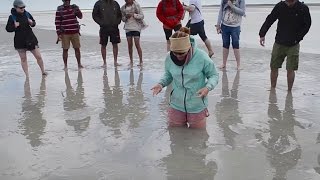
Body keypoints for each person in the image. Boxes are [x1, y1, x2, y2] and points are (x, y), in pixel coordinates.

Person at [151, 27, 219, 129]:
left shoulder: (201, 57)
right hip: (176, 104)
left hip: (197, 104)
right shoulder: (169, 57)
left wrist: (208, 87)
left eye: (182, 53)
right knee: (176, 136)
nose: (178, 56)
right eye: (175, 53)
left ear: (188, 48)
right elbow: (168, 74)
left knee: (198, 138)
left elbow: (214, 75)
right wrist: (161, 84)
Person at [259, 0, 311, 91]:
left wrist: (298, 38)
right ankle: (272, 88)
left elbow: (307, 25)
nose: (289, 3)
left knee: (291, 69)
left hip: (293, 44)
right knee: (274, 67)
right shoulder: (280, 6)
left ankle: (289, 91)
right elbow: (270, 19)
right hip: (279, 42)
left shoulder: (303, 8)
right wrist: (262, 34)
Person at [5, 0, 47, 77]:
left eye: (23, 7)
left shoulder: (27, 14)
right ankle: (27, 76)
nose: (22, 9)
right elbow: (8, 29)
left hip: (31, 39)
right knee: (23, 59)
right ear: (15, 8)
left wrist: (32, 22)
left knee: (39, 56)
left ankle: (43, 71)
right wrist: (14, 26)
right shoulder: (12, 17)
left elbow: (34, 23)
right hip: (19, 41)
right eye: (20, 7)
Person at [216, 0, 246, 70]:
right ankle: (224, 63)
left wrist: (232, 6)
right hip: (224, 25)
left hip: (235, 26)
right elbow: (221, 11)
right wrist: (218, 24)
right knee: (225, 44)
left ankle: (238, 65)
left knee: (236, 44)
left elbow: (242, 12)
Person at [92, 0, 122, 67]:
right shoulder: (99, 3)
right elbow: (94, 15)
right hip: (104, 28)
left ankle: (115, 62)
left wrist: (117, 22)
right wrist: (101, 23)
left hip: (114, 27)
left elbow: (119, 15)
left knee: (115, 44)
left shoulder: (115, 3)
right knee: (103, 45)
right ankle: (104, 62)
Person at [55, 0, 83, 69]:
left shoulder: (74, 7)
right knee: (65, 49)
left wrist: (77, 10)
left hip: (75, 32)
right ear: (63, 0)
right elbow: (57, 22)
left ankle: (79, 64)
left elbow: (80, 16)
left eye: (68, 0)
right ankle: (65, 66)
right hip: (65, 33)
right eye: (65, 0)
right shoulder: (59, 9)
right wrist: (59, 33)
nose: (67, 1)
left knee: (77, 48)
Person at [121, 0, 145, 66]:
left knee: (137, 44)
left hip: (136, 27)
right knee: (129, 45)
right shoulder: (123, 8)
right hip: (128, 27)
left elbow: (142, 16)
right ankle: (131, 61)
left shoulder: (136, 6)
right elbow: (122, 19)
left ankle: (141, 61)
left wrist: (134, 15)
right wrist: (126, 17)